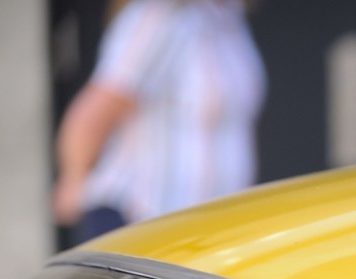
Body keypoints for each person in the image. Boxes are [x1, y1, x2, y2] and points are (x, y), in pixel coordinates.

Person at [53, 0, 265, 245]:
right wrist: (73, 181)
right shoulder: (161, 16)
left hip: (203, 231)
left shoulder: (227, 17)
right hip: (142, 223)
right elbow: (96, 110)